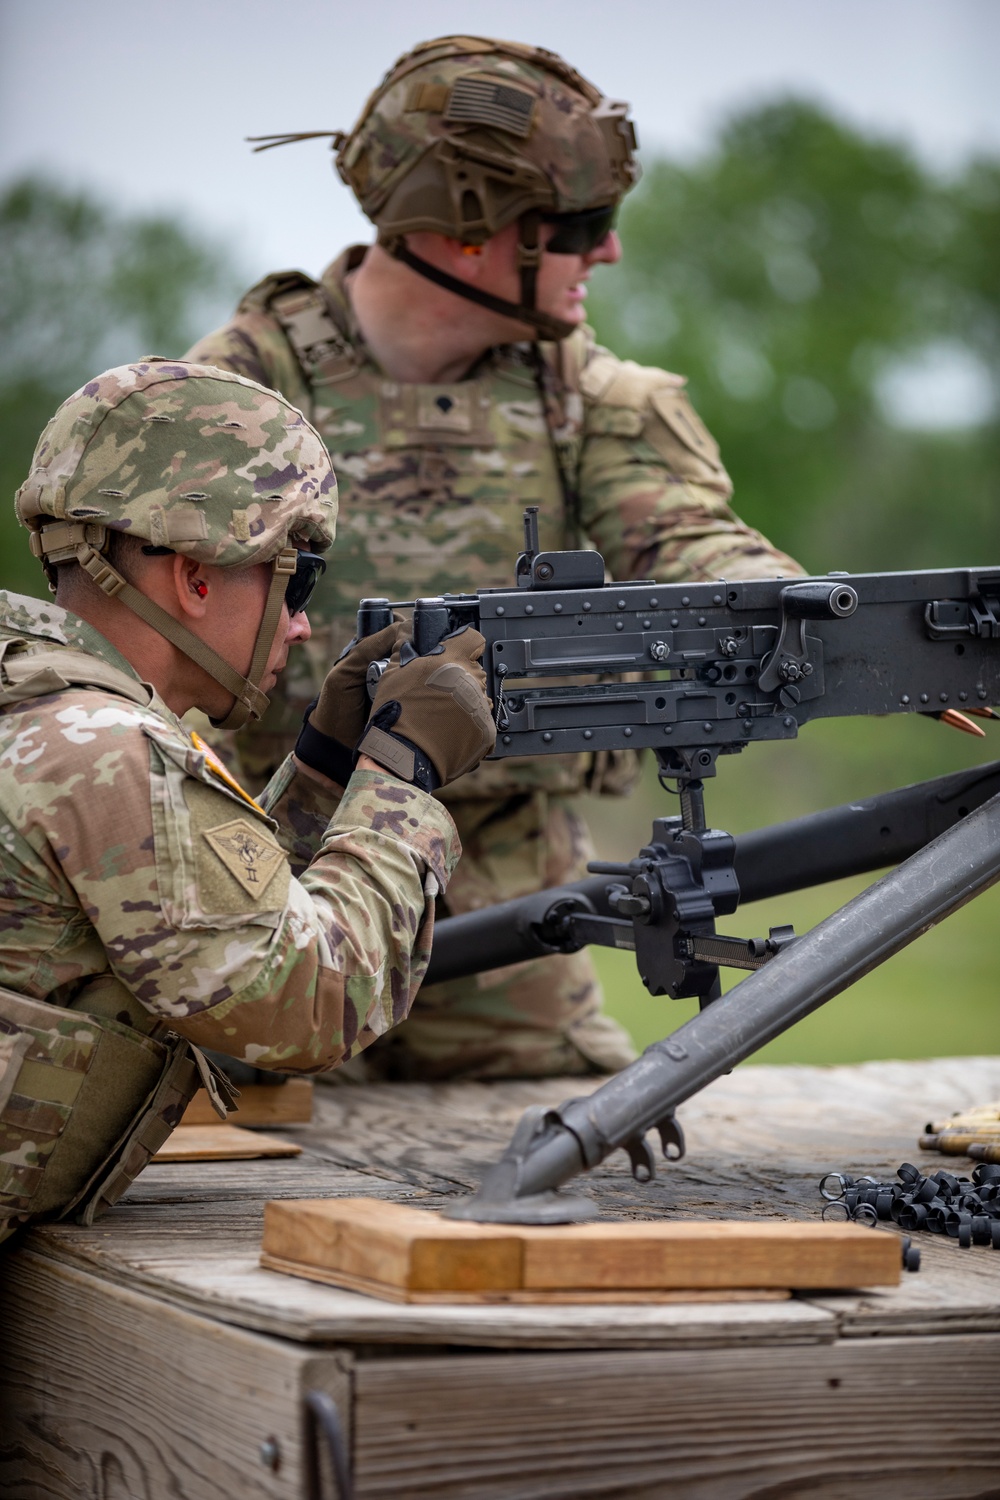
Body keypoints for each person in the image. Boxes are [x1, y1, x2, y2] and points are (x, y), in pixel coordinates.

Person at [186, 35, 802, 1084]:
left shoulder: (588, 399)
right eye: (580, 228)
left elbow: (690, 544)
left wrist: (838, 628)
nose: (605, 255)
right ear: (467, 236)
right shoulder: (230, 400)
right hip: (264, 898)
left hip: (515, 925)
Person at [0, 358, 495, 1243]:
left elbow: (202, 919)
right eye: (293, 580)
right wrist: (402, 779)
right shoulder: (106, 752)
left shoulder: (40, 711)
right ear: (194, 576)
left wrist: (324, 768)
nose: (301, 623)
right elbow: (305, 1001)